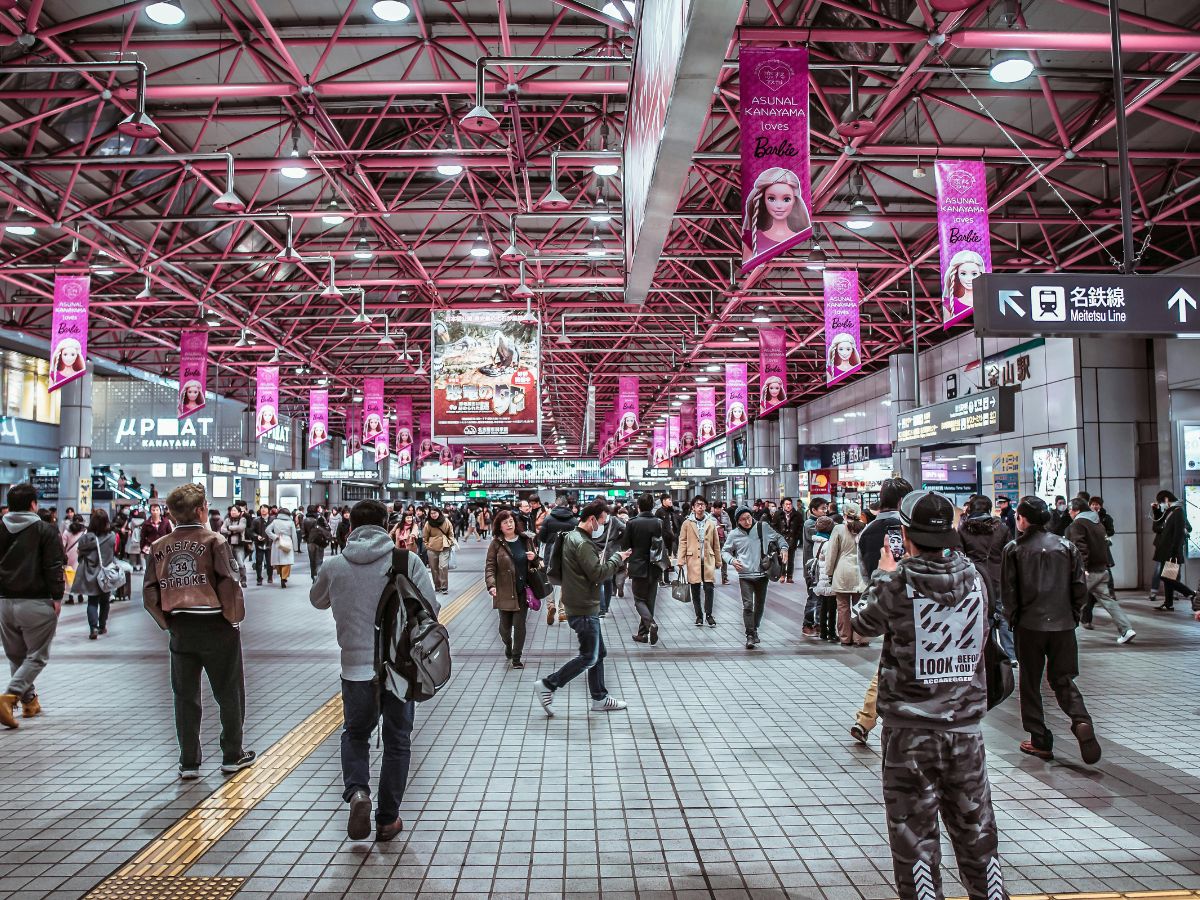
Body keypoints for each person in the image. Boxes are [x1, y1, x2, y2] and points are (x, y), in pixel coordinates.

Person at [850, 490, 1007, 900]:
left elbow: (862, 624)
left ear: (905, 532)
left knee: (914, 839)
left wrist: (884, 571)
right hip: (966, 730)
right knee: (978, 833)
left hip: (909, 734)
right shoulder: (976, 576)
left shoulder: (898, 581)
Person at [310, 498, 436, 842]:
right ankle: (387, 819)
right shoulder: (406, 560)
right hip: (399, 669)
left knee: (355, 734)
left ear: (350, 525)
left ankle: (358, 793)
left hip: (354, 669)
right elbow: (432, 608)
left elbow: (317, 600)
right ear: (386, 524)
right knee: (397, 742)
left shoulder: (335, 565)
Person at [143, 483, 253, 779]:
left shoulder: (159, 547)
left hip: (181, 628)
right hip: (217, 625)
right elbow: (229, 584)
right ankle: (232, 754)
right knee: (229, 692)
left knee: (185, 696)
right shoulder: (214, 541)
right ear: (201, 509)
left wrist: (169, 623)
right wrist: (233, 619)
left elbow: (150, 594)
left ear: (171, 513)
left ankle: (188, 761)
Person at [1001, 496, 1100, 764]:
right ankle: (1080, 719)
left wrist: (1011, 619)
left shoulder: (1013, 549)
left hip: (1029, 626)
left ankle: (1040, 739)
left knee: (1030, 682)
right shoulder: (1066, 546)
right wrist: (1073, 615)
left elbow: (1009, 592)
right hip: (1063, 624)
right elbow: (1079, 586)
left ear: (1021, 519)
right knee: (1063, 678)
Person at [532, 500, 632, 717]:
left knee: (599, 653)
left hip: (579, 602)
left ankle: (600, 698)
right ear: (593, 519)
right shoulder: (583, 543)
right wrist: (618, 558)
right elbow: (597, 574)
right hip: (584, 606)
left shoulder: (571, 536)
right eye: (603, 521)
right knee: (589, 656)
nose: (603, 526)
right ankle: (549, 684)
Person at [0, 483, 66, 729]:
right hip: (37, 600)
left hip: (4, 602)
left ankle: (29, 702)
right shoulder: (45, 530)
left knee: (16, 655)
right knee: (36, 656)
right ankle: (9, 697)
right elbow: (53, 566)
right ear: (33, 505)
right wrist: (57, 597)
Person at [1065, 498, 1135, 644]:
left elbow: (1080, 548)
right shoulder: (1098, 524)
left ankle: (1061, 634)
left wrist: (1081, 568)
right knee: (1108, 601)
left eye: (1070, 510)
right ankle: (1127, 629)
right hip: (1102, 570)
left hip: (1088, 572)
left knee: (1067, 599)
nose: (1069, 512)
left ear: (1077, 510)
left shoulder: (1077, 525)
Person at [957, 496, 1016, 662]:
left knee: (981, 616)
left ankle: (987, 652)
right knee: (1002, 615)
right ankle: (1010, 655)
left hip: (974, 579)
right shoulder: (1002, 528)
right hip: (998, 577)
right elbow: (1009, 553)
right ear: (989, 509)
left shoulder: (963, 529)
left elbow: (960, 556)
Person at [722, 506, 786, 650]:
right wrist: (732, 560)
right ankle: (750, 635)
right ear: (737, 521)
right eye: (743, 519)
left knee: (759, 606)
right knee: (748, 605)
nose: (747, 521)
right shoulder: (734, 534)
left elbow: (779, 537)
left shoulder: (762, 527)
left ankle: (755, 628)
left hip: (762, 574)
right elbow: (725, 551)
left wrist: (784, 548)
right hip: (745, 575)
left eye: (748, 517)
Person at [485, 510, 539, 669]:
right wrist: (491, 584)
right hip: (503, 590)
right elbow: (490, 566)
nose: (509, 524)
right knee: (505, 628)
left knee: (520, 625)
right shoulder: (496, 543)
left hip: (522, 590)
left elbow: (536, 562)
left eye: (511, 521)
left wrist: (534, 558)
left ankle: (516, 657)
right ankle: (508, 644)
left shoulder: (525, 540)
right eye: (505, 522)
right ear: (499, 527)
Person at [741, 166, 811, 262]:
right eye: (771, 198)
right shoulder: (753, 239)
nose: (779, 206)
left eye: (786, 199)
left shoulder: (802, 234)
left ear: (795, 201)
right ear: (763, 200)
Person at [622, 492, 665, 643]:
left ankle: (651, 624)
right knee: (650, 600)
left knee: (639, 600)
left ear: (638, 506)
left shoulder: (632, 523)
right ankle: (643, 633)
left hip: (638, 566)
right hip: (655, 566)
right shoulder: (658, 522)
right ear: (653, 506)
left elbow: (625, 545)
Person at [825, 501, 867, 646]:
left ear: (844, 513)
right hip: (860, 572)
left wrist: (829, 572)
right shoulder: (864, 528)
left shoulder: (838, 529)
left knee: (843, 608)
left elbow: (831, 553)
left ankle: (845, 637)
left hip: (842, 571)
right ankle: (859, 638)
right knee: (859, 606)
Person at [72, 509, 116, 641]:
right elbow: (113, 554)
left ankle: (93, 628)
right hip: (105, 574)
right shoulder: (112, 537)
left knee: (92, 601)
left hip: (90, 573)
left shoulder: (86, 537)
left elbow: (80, 553)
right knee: (105, 601)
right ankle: (102, 625)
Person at [678, 496, 721, 627]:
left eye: (702, 504)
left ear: (706, 506)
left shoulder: (711, 522)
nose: (700, 507)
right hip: (693, 560)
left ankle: (709, 615)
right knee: (695, 588)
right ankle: (699, 616)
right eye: (697, 505)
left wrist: (718, 561)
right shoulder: (687, 523)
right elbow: (683, 542)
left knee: (709, 588)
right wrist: (680, 560)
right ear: (693, 508)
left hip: (708, 559)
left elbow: (716, 543)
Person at [536, 494, 578, 625]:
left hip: (551, 553)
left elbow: (541, 538)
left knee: (548, 580)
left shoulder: (548, 519)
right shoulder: (574, 521)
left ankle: (550, 606)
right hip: (568, 555)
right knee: (566, 582)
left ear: (555, 504)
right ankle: (562, 611)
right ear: (567, 505)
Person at [1150, 490, 1194, 611]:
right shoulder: (1169, 511)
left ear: (1166, 499)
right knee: (1168, 578)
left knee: (1167, 578)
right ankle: (1168, 603)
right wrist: (1156, 510)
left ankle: (1192, 594)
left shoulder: (1179, 511)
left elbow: (1179, 534)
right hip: (1165, 551)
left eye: (1161, 502)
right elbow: (1156, 527)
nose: (1161, 504)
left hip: (1172, 551)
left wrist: (1174, 552)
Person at [800, 496, 831, 638]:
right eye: (822, 509)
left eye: (826, 508)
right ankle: (807, 624)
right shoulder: (810, 524)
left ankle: (819, 624)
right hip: (812, 567)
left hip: (822, 566)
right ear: (813, 510)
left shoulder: (820, 522)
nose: (825, 511)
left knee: (821, 597)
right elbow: (821, 535)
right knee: (813, 596)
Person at [941, 248, 985, 317]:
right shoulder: (949, 304)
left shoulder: (987, 302)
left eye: (974, 274)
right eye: (963, 274)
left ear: (980, 273)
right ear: (957, 275)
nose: (969, 279)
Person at [422, 507, 455, 595]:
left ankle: (444, 587)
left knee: (443, 566)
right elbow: (425, 536)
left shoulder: (446, 521)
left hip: (444, 546)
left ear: (439, 513)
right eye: (431, 513)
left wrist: (450, 542)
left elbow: (451, 533)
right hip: (432, 548)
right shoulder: (428, 523)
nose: (433, 515)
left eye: (435, 513)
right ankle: (437, 586)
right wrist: (427, 545)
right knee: (434, 568)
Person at [771, 497, 803, 584]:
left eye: (790, 504)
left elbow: (800, 527)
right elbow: (773, 526)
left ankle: (789, 576)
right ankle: (782, 575)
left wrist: (797, 537)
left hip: (793, 539)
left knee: (791, 559)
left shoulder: (797, 515)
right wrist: (777, 537)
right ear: (783, 505)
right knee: (782, 558)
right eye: (786, 504)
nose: (788, 506)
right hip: (781, 539)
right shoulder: (778, 514)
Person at [265, 508, 298, 588]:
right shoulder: (291, 522)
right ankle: (284, 578)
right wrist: (295, 547)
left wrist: (274, 537)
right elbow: (294, 535)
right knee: (287, 562)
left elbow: (267, 530)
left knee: (278, 561)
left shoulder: (275, 521)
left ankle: (281, 576)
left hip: (278, 541)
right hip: (287, 541)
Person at [220, 505, 249, 589]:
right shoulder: (227, 519)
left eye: (235, 511)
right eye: (232, 510)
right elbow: (222, 529)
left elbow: (241, 528)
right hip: (229, 545)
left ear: (239, 512)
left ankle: (243, 580)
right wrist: (232, 530)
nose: (233, 512)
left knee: (240, 563)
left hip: (239, 545)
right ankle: (231, 580)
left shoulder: (242, 519)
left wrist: (229, 528)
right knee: (229, 563)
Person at [61, 516, 85, 604]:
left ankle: (71, 597)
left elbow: (62, 545)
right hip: (80, 555)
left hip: (69, 556)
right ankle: (80, 595)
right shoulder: (84, 532)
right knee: (80, 576)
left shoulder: (67, 532)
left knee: (69, 576)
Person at [248, 505, 272, 586]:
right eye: (262, 508)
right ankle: (259, 578)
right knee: (259, 562)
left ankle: (270, 577)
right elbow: (251, 531)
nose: (263, 510)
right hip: (259, 544)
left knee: (269, 562)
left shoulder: (272, 520)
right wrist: (256, 536)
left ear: (268, 510)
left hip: (270, 544)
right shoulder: (256, 520)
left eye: (265, 508)